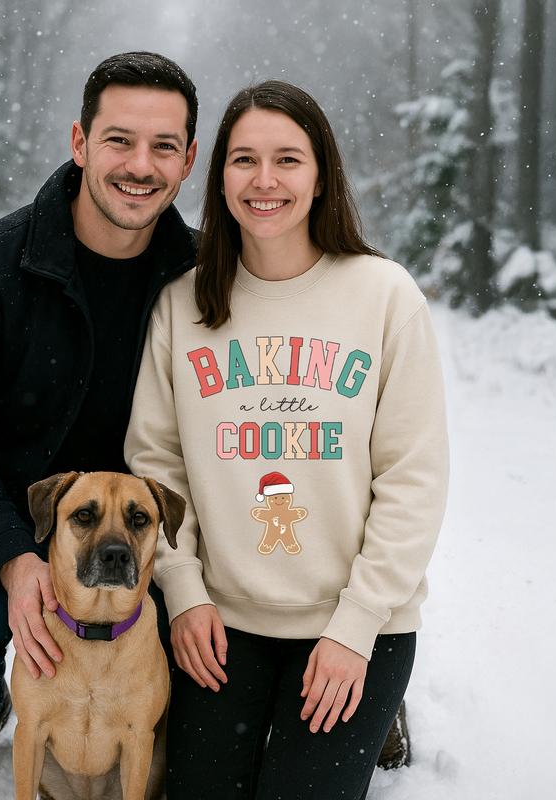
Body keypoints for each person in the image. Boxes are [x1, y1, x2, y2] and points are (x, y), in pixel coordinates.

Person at [125, 80, 449, 799]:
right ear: (218, 177)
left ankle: (379, 714)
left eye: (287, 160)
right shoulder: (184, 305)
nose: (264, 181)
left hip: (356, 623)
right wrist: (182, 591)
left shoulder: (385, 296)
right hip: (221, 623)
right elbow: (156, 464)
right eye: (244, 160)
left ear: (321, 174)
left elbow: (413, 478)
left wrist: (356, 626)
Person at [0, 51, 198, 780]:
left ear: (189, 160)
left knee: (227, 648)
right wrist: (14, 558)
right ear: (78, 142)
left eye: (164, 146)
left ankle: (337, 705)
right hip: (12, 508)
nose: (141, 164)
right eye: (119, 140)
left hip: (154, 514)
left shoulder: (201, 274)